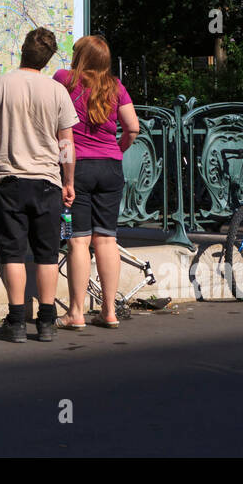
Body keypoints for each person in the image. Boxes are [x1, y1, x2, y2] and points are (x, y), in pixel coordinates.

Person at [0, 27, 78, 343]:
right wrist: (68, 180)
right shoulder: (58, 91)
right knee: (47, 254)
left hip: (9, 180)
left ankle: (16, 321)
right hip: (48, 182)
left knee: (13, 254)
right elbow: (66, 142)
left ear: (22, 50)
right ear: (47, 59)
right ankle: (46, 322)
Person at [53, 35, 140, 330]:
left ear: (81, 57)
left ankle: (76, 313)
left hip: (76, 167)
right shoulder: (116, 87)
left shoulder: (64, 79)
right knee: (107, 239)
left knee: (78, 240)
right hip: (111, 167)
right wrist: (118, 148)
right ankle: (109, 311)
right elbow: (133, 128)